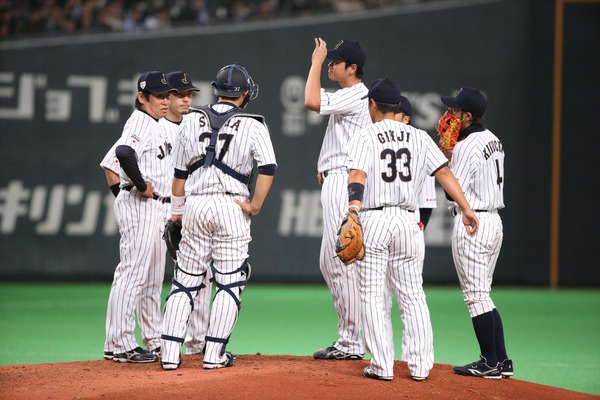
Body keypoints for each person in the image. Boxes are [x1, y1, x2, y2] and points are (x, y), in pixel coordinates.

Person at [345, 78, 479, 381]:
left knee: (371, 294)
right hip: (408, 221)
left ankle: (381, 366)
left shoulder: (365, 134)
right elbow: (444, 172)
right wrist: (466, 208)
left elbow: (357, 174)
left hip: (375, 219)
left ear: (373, 105)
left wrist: (353, 209)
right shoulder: (418, 136)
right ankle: (420, 367)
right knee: (413, 295)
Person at [160, 63, 277, 370]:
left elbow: (179, 175)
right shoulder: (253, 123)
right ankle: (214, 355)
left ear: (215, 90)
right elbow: (267, 168)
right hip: (231, 204)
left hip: (195, 203)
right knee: (228, 282)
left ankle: (170, 355)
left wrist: (176, 216)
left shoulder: (190, 118)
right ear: (245, 93)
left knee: (184, 282)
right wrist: (255, 206)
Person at [102, 71, 176, 363]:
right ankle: (119, 343)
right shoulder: (140, 120)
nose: (164, 101)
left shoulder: (155, 123)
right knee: (132, 274)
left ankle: (152, 339)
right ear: (142, 97)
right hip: (141, 205)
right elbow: (122, 152)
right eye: (159, 96)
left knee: (151, 279)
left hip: (156, 207)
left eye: (166, 96)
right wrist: (141, 186)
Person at [304, 37, 370, 360]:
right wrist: (323, 165)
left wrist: (315, 62)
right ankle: (353, 337)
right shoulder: (352, 95)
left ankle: (351, 342)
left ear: (352, 68)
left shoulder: (356, 94)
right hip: (338, 176)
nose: (330, 64)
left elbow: (311, 101)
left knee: (341, 258)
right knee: (331, 260)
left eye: (336, 61)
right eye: (329, 60)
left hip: (345, 180)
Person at [439, 87, 512, 379]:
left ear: (468, 116)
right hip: (494, 222)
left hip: (473, 222)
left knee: (476, 297)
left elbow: (452, 193)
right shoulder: (493, 139)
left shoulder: (467, 146)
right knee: (484, 295)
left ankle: (489, 362)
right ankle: (502, 361)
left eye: (455, 111)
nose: (449, 116)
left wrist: (447, 157)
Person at [162, 71, 213, 356]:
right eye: (179, 95)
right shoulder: (154, 127)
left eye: (189, 95)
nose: (185, 100)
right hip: (168, 208)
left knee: (202, 278)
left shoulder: (194, 126)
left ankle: (197, 342)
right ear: (165, 98)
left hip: (190, 210)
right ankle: (164, 341)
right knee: (179, 279)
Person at [387, 95, 437, 364]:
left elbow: (427, 203)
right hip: (396, 225)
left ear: (405, 118)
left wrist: (418, 229)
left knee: (408, 297)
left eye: (394, 114)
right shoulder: (381, 140)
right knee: (384, 297)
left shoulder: (417, 144)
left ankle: (410, 358)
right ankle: (391, 358)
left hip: (409, 224)